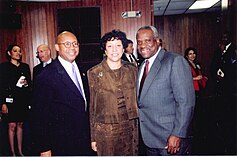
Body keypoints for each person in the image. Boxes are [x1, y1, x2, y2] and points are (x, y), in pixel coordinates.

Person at [136, 25, 195, 155]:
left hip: (170, 139)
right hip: (149, 138)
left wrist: (177, 134)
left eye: (147, 40)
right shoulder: (142, 66)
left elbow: (186, 102)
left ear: (158, 41)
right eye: (139, 42)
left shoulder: (175, 61)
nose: (142, 45)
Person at [31, 31, 91, 156]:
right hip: (61, 143)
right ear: (57, 47)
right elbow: (39, 115)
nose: (72, 48)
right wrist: (44, 148)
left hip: (83, 140)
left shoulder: (82, 70)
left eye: (75, 44)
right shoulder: (46, 75)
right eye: (67, 44)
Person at [87, 30, 139, 155]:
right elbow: (92, 107)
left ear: (123, 49)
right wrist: (93, 137)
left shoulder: (133, 70)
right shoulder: (94, 73)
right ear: (105, 50)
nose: (114, 50)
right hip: (106, 131)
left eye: (118, 45)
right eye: (110, 46)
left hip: (130, 127)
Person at [0, 44, 31, 156]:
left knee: (20, 125)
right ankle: (12, 153)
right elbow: (1, 86)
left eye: (19, 51)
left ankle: (20, 151)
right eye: (15, 51)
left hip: (21, 100)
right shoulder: (3, 67)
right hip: (9, 101)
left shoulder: (25, 67)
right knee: (11, 126)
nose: (18, 53)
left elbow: (29, 85)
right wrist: (2, 103)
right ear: (9, 53)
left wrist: (27, 84)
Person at [210, 31, 237, 154]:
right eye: (222, 37)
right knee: (221, 117)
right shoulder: (218, 50)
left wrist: (224, 78)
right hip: (219, 90)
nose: (224, 38)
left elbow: (233, 69)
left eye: (226, 37)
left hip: (230, 90)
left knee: (230, 118)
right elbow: (213, 66)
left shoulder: (234, 50)